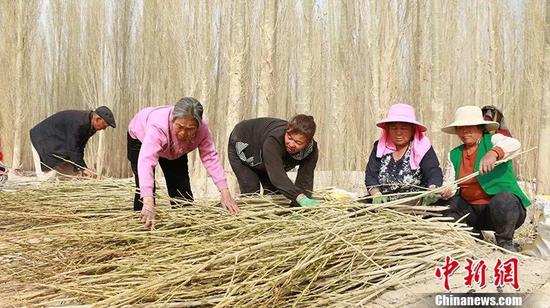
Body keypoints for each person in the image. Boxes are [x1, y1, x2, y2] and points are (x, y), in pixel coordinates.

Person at [127, 97, 239, 229]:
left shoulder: (203, 130)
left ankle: (184, 226)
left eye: (190, 129)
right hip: (139, 137)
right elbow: (146, 161)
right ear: (172, 120)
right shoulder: (158, 126)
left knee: (181, 189)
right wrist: (148, 200)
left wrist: (225, 192)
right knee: (144, 188)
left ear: (198, 126)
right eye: (179, 126)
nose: (183, 133)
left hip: (175, 148)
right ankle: (141, 225)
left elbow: (210, 157)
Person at [440, 105, 531, 252]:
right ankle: (473, 234)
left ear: (480, 127)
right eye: (460, 128)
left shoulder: (494, 140)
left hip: (504, 213)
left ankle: (505, 241)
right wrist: (447, 191)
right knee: (443, 205)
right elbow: (450, 183)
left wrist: (494, 153)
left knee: (504, 199)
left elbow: (515, 144)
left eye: (470, 127)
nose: (465, 131)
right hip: (473, 213)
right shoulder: (454, 154)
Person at [228, 115, 319, 207]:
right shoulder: (274, 140)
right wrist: (299, 197)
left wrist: (299, 209)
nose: (291, 144)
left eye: (298, 142)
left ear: (308, 143)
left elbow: (305, 181)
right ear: (286, 131)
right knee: (251, 192)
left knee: (274, 194)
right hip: (244, 143)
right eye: (289, 138)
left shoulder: (311, 151)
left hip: (265, 156)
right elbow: (278, 176)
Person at [365, 103, 443, 204]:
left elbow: (433, 172)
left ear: (412, 129)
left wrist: (432, 189)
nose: (398, 133)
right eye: (394, 128)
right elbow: (371, 175)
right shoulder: (380, 147)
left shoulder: (421, 147)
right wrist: (376, 194)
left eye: (404, 128)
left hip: (413, 203)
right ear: (388, 129)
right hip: (384, 203)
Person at [30, 106, 116, 177]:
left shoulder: (90, 126)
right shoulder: (79, 123)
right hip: (42, 143)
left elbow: (80, 147)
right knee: (46, 178)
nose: (104, 129)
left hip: (59, 148)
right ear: (98, 119)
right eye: (105, 125)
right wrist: (81, 168)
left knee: (72, 177)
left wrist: (81, 168)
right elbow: (72, 147)